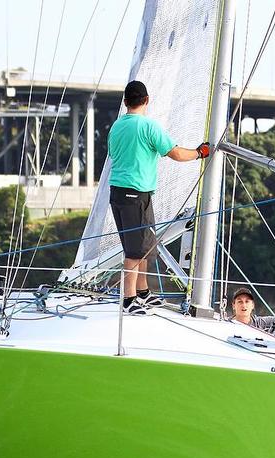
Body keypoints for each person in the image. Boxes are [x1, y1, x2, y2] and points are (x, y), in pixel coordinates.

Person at [108, 80, 210, 315]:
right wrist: (199, 153)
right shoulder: (148, 127)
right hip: (136, 194)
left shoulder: (116, 127)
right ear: (146, 100)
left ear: (125, 102)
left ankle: (143, 292)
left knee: (144, 245)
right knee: (134, 251)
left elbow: (114, 153)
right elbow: (175, 153)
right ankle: (129, 299)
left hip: (121, 193)